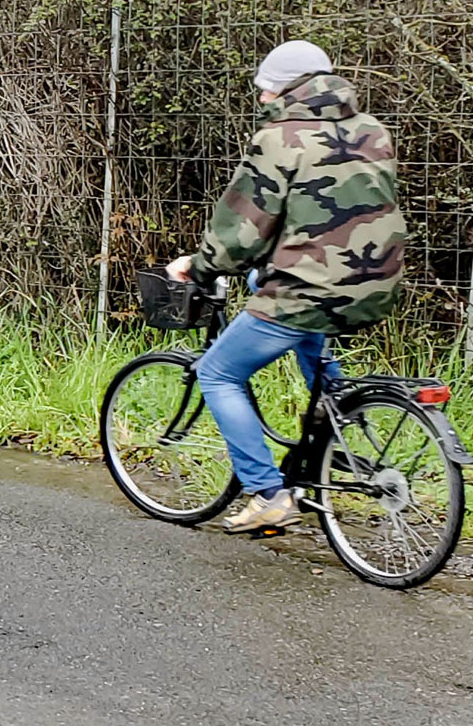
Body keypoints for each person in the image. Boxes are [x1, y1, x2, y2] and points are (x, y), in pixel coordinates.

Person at [166, 40, 407, 533]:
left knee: (217, 374)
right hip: (377, 280)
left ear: (288, 88)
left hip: (311, 288)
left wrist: (201, 266)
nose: (260, 99)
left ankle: (268, 493)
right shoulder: (373, 131)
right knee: (263, 280)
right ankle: (332, 401)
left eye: (265, 88)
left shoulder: (280, 137)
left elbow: (245, 228)